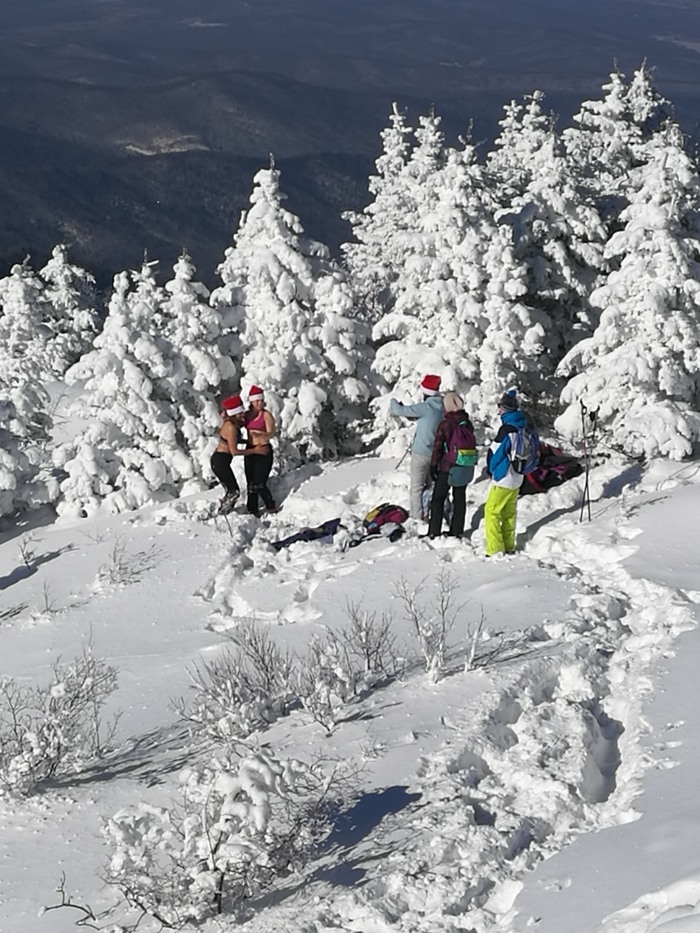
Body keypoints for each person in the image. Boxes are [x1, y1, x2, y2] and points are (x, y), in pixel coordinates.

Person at [389, 374, 444, 519]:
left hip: (420, 453)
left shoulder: (425, 407)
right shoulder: (443, 407)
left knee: (416, 488)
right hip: (437, 454)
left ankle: (417, 517)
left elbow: (400, 411)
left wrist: (393, 401)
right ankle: (429, 512)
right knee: (431, 486)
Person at [484, 388, 529, 557]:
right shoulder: (522, 425)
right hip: (518, 475)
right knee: (509, 513)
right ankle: (509, 546)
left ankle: (495, 549)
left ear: (505, 409)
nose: (499, 411)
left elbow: (496, 454)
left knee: (492, 511)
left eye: (500, 407)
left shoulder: (506, 429)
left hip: (504, 476)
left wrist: (491, 470)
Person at [427, 392, 476, 539]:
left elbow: (438, 447)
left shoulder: (446, 424)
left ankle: (434, 531)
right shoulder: (467, 423)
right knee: (459, 498)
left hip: (448, 467)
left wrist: (433, 466)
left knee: (438, 499)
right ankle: (457, 531)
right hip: (465, 465)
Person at [210, 395, 263, 514]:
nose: (242, 416)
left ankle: (223, 511)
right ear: (234, 414)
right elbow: (234, 451)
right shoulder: (231, 427)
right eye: (240, 414)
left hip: (220, 460)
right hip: (220, 461)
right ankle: (223, 514)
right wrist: (255, 451)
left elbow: (233, 440)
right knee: (234, 492)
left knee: (231, 491)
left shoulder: (232, 424)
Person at [243, 385, 278, 517]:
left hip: (263, 450)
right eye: (256, 401)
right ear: (251, 401)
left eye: (261, 400)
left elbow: (272, 431)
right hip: (251, 450)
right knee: (250, 483)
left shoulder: (266, 415)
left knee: (259, 482)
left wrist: (263, 435)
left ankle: (270, 505)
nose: (259, 403)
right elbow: (236, 423)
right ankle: (252, 509)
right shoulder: (247, 415)